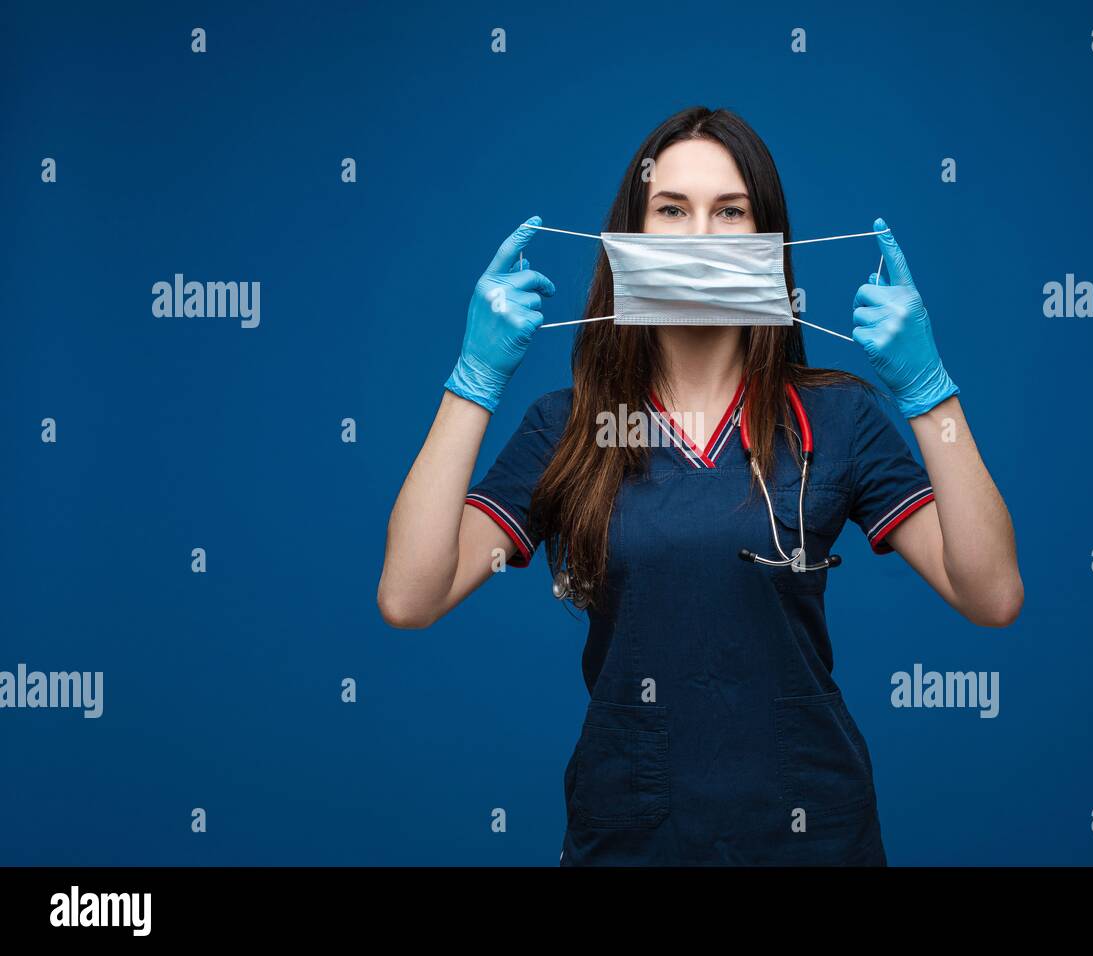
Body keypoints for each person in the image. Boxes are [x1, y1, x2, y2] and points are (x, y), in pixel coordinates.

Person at [377, 106, 1023, 866]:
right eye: (672, 210)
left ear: (769, 241)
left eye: (731, 212)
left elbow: (991, 594)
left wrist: (930, 392)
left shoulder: (835, 419)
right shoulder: (569, 429)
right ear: (630, 240)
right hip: (630, 835)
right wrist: (473, 381)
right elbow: (410, 597)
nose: (701, 237)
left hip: (814, 835)